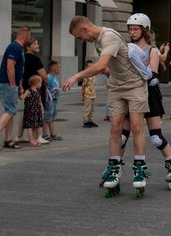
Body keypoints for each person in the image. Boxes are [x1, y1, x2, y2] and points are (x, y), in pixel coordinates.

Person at [63, 16, 150, 197]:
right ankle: (114, 167)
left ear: (86, 28)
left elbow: (101, 64)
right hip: (116, 86)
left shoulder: (108, 36)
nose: (81, 41)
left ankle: (140, 167)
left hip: (134, 85)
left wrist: (78, 76)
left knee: (135, 125)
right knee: (114, 127)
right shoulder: (97, 42)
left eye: (80, 37)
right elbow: (106, 67)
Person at [121, 13, 171, 190]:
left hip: (150, 94)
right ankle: (114, 168)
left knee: (156, 137)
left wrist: (144, 69)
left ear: (144, 30)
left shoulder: (152, 51)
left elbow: (154, 77)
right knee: (122, 136)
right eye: (130, 29)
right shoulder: (126, 49)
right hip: (131, 94)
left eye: (136, 29)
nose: (132, 32)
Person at [0, 26, 29, 150]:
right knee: (10, 110)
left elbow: (18, 69)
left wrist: (19, 85)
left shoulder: (18, 48)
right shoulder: (14, 47)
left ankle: (8, 140)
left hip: (11, 83)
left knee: (10, 111)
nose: (30, 39)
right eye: (29, 36)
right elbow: (10, 66)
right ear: (25, 36)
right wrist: (12, 84)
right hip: (6, 83)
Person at [16, 37, 50, 144]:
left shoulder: (22, 58)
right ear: (28, 47)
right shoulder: (35, 59)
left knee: (27, 111)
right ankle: (37, 136)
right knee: (39, 111)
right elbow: (44, 75)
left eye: (37, 43)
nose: (37, 45)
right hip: (37, 87)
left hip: (26, 86)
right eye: (35, 44)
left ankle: (19, 135)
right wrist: (47, 82)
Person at [22, 74, 46, 146]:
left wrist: (42, 108)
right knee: (30, 126)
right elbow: (22, 97)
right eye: (40, 83)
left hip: (37, 111)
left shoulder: (37, 91)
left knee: (36, 125)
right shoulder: (29, 91)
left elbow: (39, 101)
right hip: (30, 111)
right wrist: (19, 93)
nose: (41, 84)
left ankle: (34, 138)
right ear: (36, 83)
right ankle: (31, 140)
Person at [43, 60, 62, 141]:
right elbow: (46, 89)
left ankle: (53, 134)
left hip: (54, 100)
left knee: (52, 117)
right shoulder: (49, 78)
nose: (59, 70)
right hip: (50, 100)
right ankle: (45, 134)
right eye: (59, 68)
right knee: (47, 117)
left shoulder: (53, 78)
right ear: (54, 69)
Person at [81, 60, 98, 128]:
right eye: (89, 66)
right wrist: (82, 95)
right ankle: (85, 122)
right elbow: (83, 86)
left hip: (93, 94)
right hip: (87, 95)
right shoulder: (86, 75)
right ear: (86, 67)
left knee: (91, 109)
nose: (91, 68)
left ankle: (90, 121)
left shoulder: (93, 75)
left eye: (92, 66)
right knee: (87, 109)